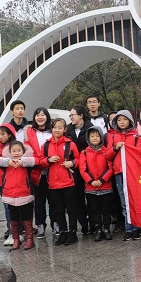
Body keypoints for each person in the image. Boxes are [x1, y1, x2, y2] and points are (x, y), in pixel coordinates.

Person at [39, 118, 81, 246]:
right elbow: (40, 161)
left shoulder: (70, 144)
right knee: (58, 209)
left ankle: (72, 232)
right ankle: (63, 232)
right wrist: (48, 160)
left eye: (60, 127)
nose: (57, 130)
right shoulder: (46, 145)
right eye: (55, 127)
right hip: (53, 182)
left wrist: (72, 163)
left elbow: (79, 159)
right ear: (51, 128)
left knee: (71, 208)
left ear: (64, 129)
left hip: (68, 181)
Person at [106, 110, 141, 241]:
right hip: (119, 173)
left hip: (133, 174)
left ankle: (137, 228)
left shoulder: (136, 137)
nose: (122, 122)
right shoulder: (112, 137)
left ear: (130, 121)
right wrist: (115, 148)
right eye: (119, 120)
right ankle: (129, 228)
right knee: (124, 203)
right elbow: (108, 155)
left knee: (135, 201)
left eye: (124, 119)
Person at [0, 140, 37, 250]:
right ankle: (16, 239)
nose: (16, 153)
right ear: (9, 152)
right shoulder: (6, 163)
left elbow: (36, 161)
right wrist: (8, 162)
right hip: (10, 195)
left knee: (26, 217)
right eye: (13, 151)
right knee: (13, 218)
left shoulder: (26, 163)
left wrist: (23, 161)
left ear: (23, 151)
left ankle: (30, 240)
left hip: (24, 194)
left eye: (19, 150)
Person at [23, 107, 56, 239]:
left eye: (43, 115)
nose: (40, 117)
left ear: (47, 117)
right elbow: (27, 150)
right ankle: (41, 225)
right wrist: (42, 161)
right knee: (39, 202)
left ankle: (56, 224)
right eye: (37, 115)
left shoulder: (53, 130)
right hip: (37, 172)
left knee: (54, 201)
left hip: (53, 171)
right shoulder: (30, 132)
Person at [79, 126, 114, 241]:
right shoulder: (84, 152)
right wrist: (91, 181)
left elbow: (110, 168)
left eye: (97, 135)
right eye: (92, 136)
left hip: (105, 186)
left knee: (106, 209)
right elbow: (82, 169)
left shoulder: (106, 152)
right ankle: (98, 229)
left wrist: (102, 180)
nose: (95, 138)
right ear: (88, 138)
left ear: (101, 137)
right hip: (91, 188)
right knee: (94, 210)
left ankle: (106, 229)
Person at [66, 105, 94, 235]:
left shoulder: (90, 128)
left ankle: (94, 223)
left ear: (81, 115)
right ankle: (83, 224)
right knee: (78, 198)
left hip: (90, 167)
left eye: (73, 114)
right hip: (74, 168)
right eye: (70, 115)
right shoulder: (68, 130)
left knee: (92, 196)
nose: (71, 117)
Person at [0, 123, 18, 246]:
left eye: (3, 134)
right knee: (8, 208)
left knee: (19, 207)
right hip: (2, 183)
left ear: (10, 134)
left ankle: (19, 231)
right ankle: (12, 232)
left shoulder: (16, 147)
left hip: (16, 181)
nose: (0, 137)